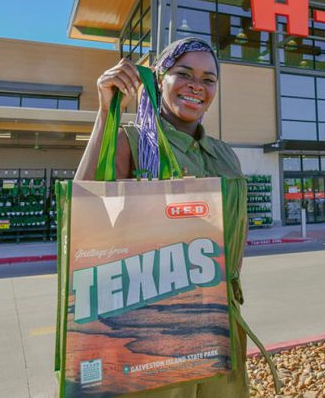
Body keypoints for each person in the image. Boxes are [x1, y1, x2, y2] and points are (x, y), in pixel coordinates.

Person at [75, 37, 254, 398]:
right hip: (153, 335)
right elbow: (83, 209)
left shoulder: (224, 155)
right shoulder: (132, 141)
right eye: (183, 74)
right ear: (159, 80)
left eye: (208, 79)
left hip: (221, 321)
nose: (196, 86)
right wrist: (105, 111)